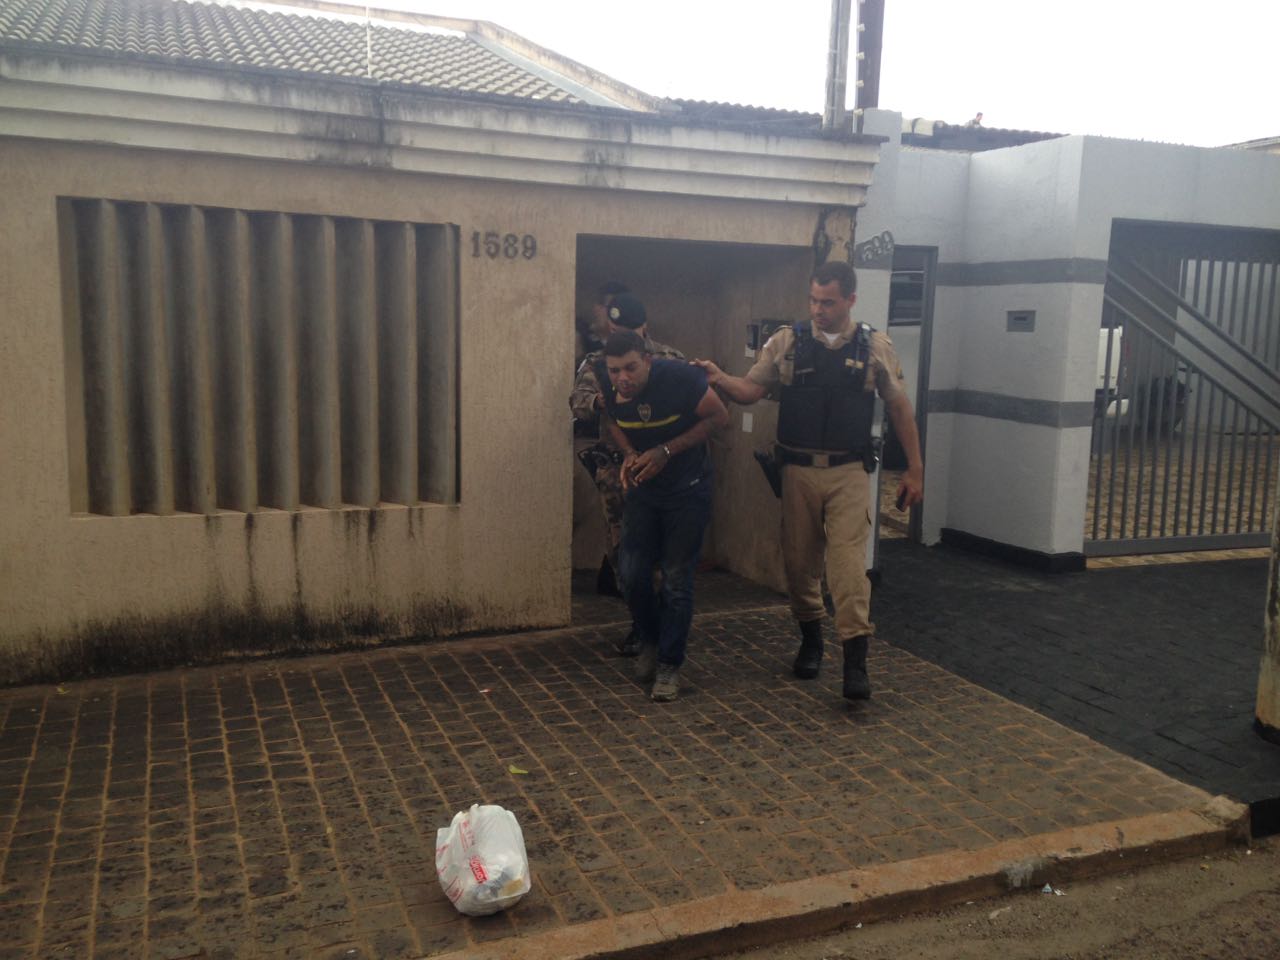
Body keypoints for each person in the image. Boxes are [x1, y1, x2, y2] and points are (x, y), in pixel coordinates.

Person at [693, 261, 923, 701]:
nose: (818, 309)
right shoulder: (787, 342)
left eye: (828, 302)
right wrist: (719, 378)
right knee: (799, 568)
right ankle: (812, 640)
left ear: (850, 300)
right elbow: (750, 391)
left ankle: (855, 663)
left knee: (848, 570)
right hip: (797, 472)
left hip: (848, 471)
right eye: (814, 300)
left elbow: (899, 408)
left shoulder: (875, 346)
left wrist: (915, 468)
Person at [600, 328, 729, 701]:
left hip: (687, 491)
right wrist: (629, 453)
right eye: (614, 370)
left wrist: (666, 451)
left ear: (648, 361)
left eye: (630, 368)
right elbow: (610, 419)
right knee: (631, 573)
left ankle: (670, 665)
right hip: (644, 490)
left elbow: (720, 418)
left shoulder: (679, 378)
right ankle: (650, 641)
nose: (622, 378)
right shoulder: (607, 385)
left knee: (675, 579)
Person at [570, 290, 685, 625]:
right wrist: (599, 402)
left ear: (644, 327)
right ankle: (641, 620)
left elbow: (696, 402)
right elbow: (578, 401)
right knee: (624, 549)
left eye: (631, 331)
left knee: (662, 547)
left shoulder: (670, 358)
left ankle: (656, 621)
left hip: (662, 467)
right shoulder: (599, 363)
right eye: (620, 331)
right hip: (618, 471)